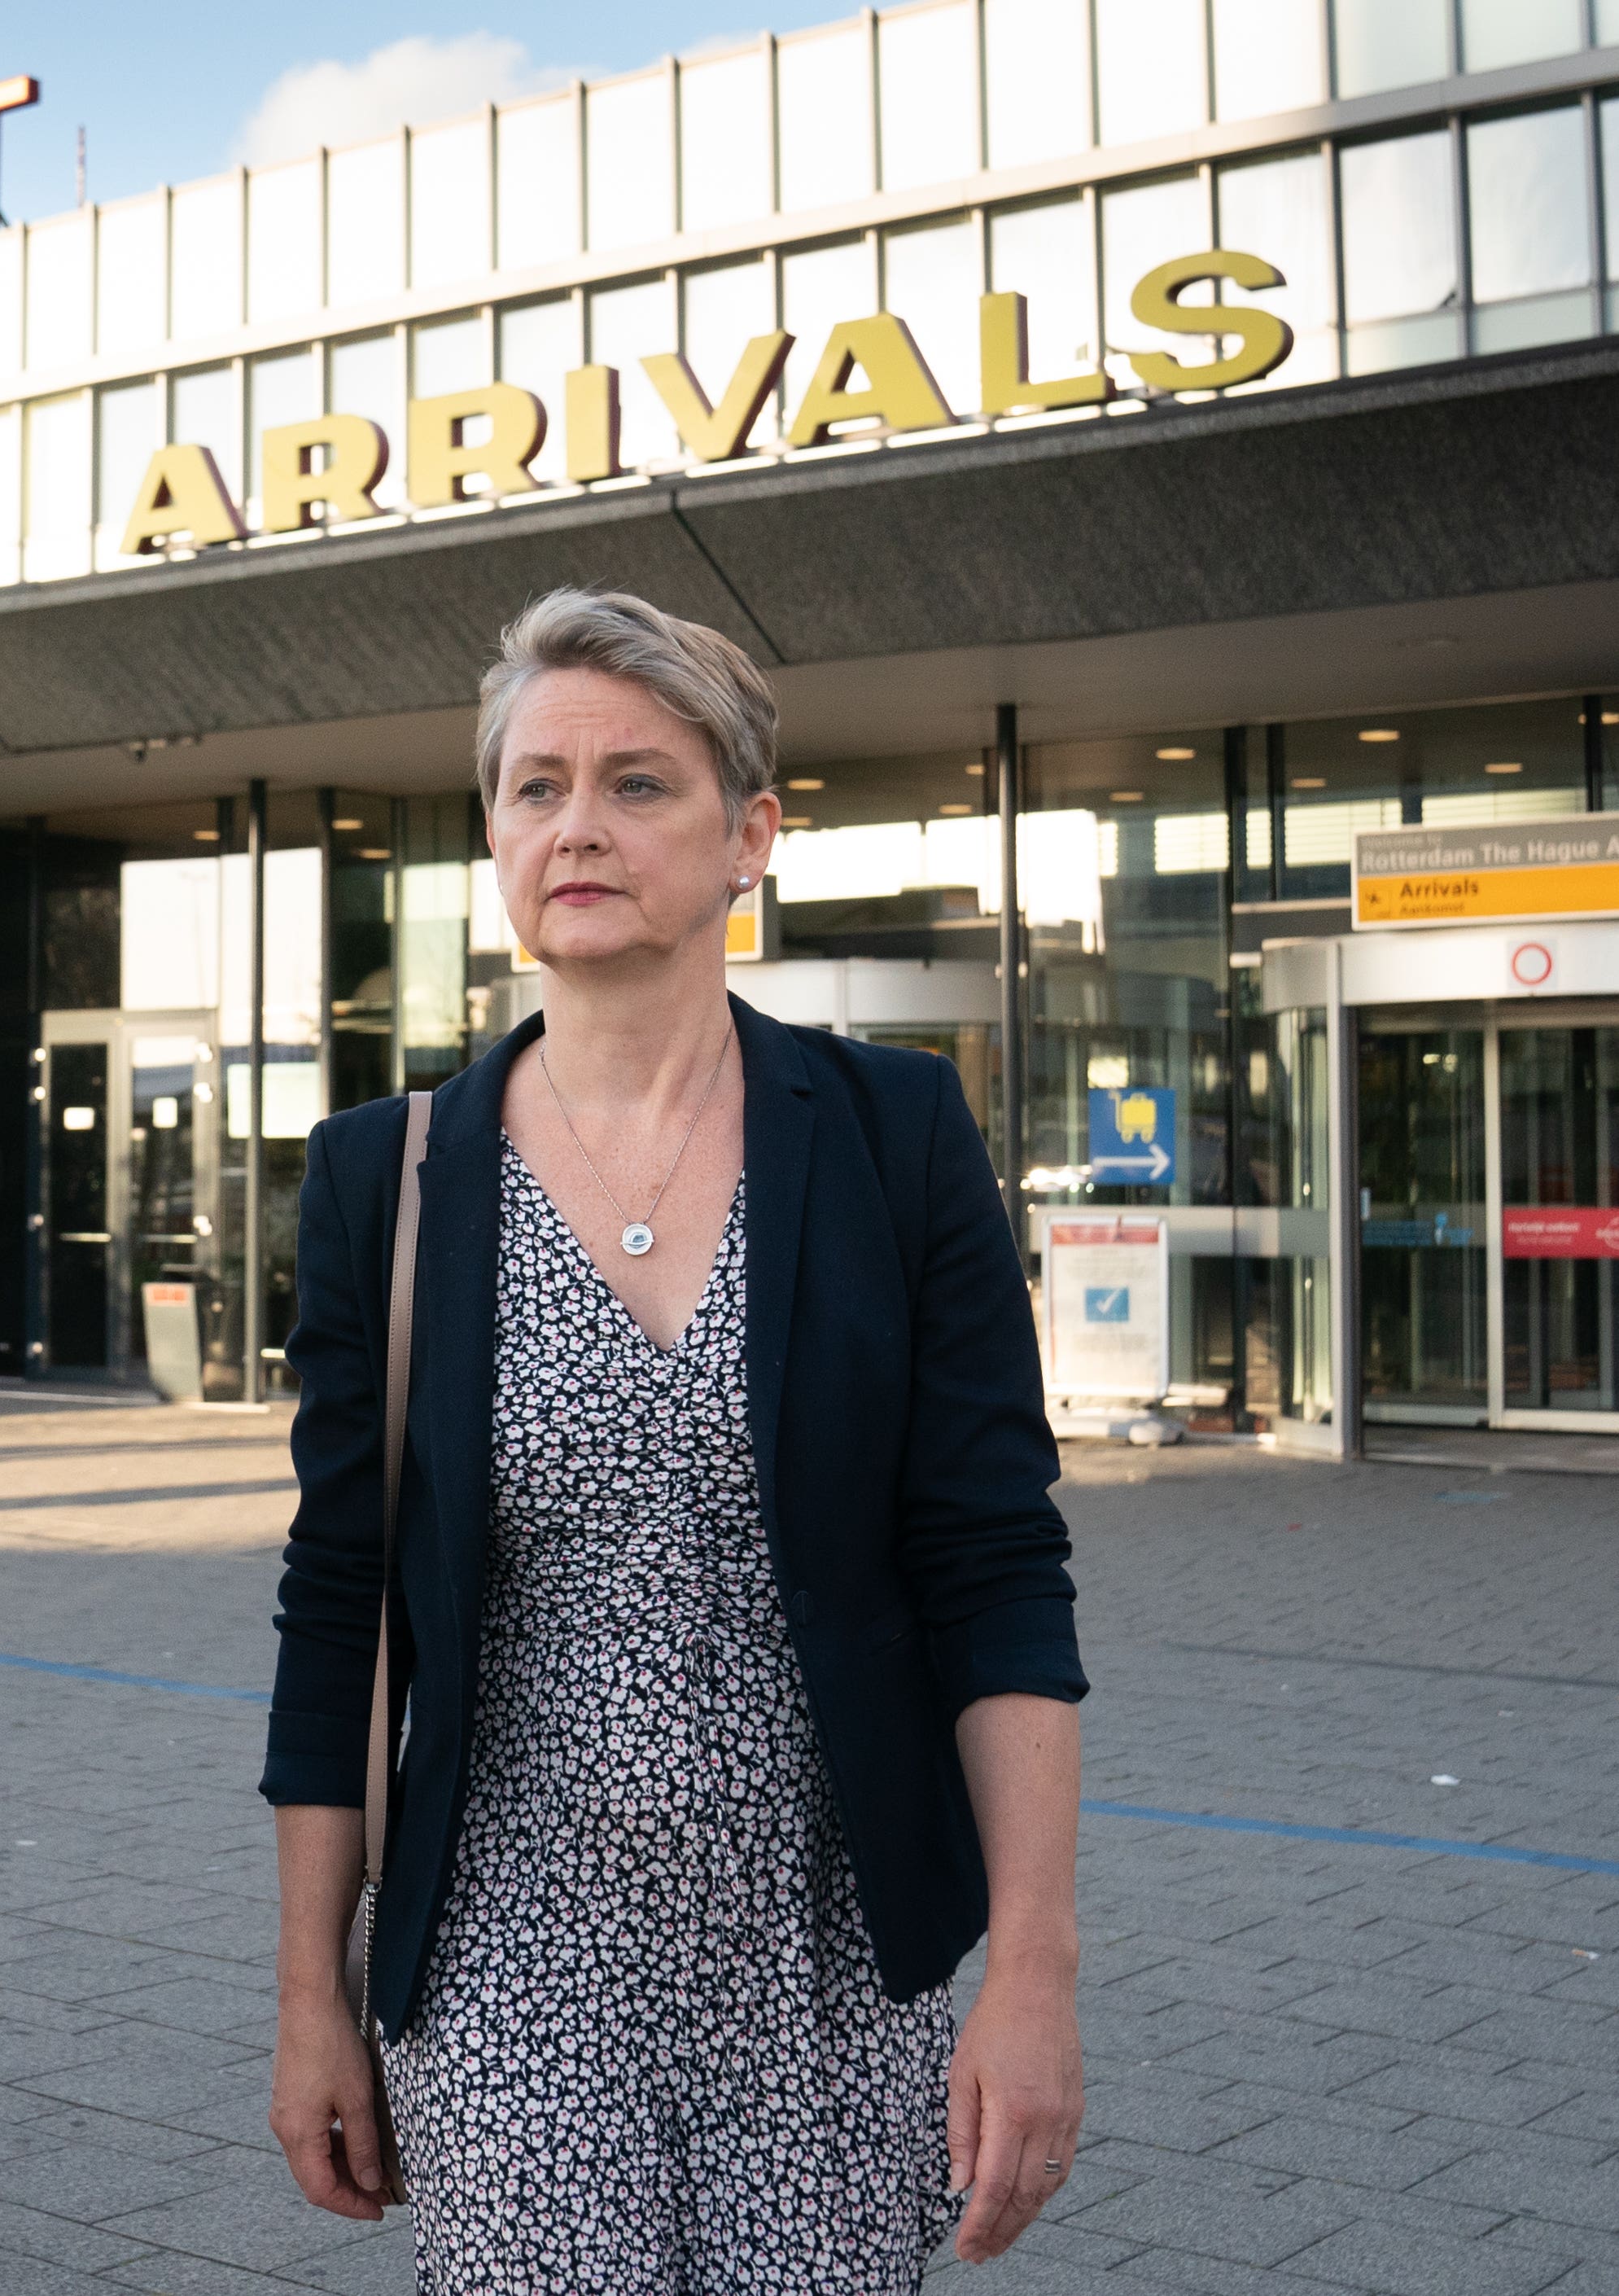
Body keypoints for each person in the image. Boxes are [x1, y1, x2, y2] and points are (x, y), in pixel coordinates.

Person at [261, 588, 1087, 2287]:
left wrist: (1034, 1970)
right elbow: (343, 1609)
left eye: (639, 784)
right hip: (510, 1970)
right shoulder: (389, 1180)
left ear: (750, 836)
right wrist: (309, 2002)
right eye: (535, 786)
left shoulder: (891, 1137)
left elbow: (995, 1563)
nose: (578, 825)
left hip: (828, 1967)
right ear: (493, 836)